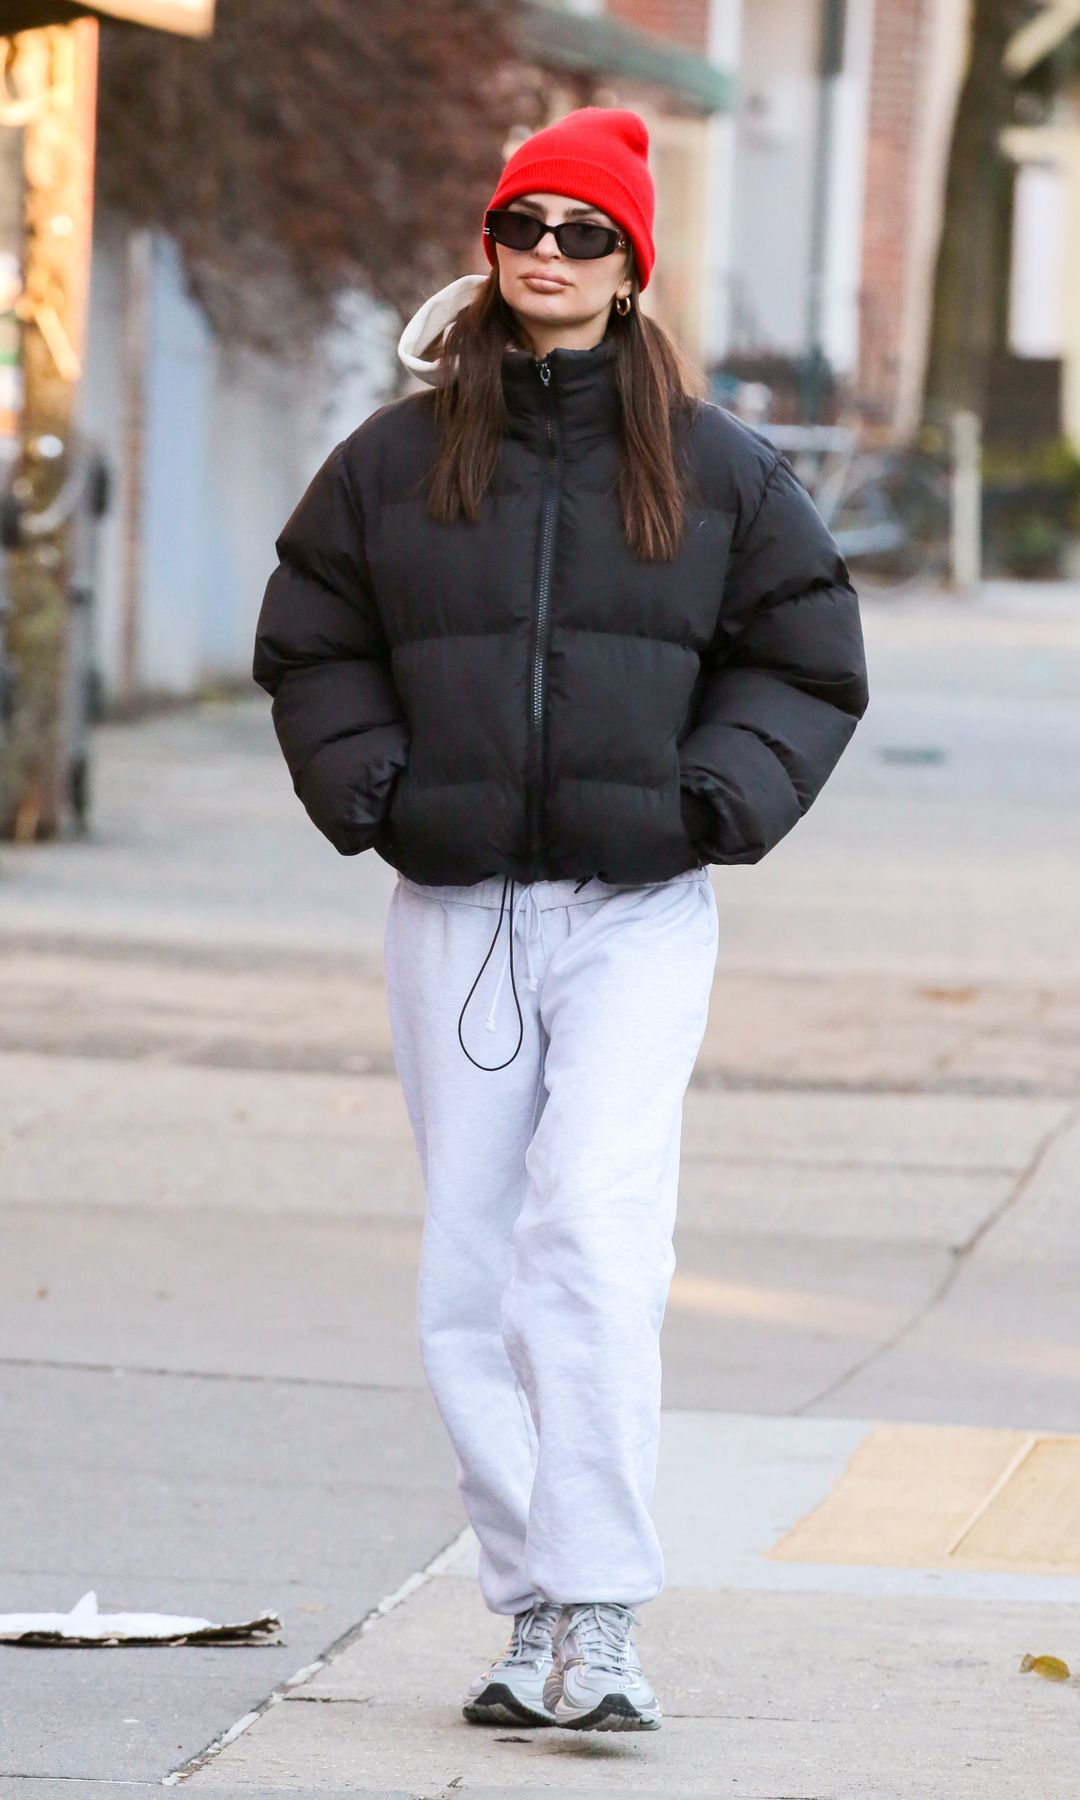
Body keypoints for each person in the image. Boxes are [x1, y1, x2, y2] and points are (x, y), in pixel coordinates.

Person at [253, 105, 869, 1734]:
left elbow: (805, 657)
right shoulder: (394, 460)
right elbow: (312, 637)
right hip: (457, 913)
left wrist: (715, 804)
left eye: (582, 233)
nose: (546, 254)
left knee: (590, 1244)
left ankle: (601, 1612)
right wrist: (378, 793)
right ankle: (527, 1605)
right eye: (524, 225)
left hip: (637, 909)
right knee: (470, 1273)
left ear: (630, 264)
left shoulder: (719, 465)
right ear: (491, 244)